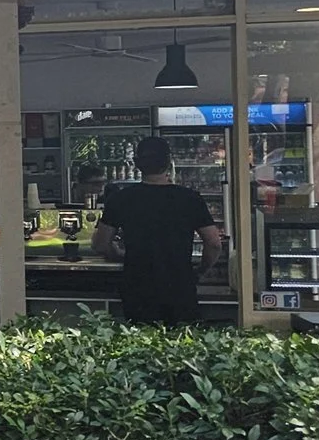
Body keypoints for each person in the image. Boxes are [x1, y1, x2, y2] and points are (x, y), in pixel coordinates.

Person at [92, 136, 226, 325]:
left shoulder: (121, 199)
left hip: (138, 286)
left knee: (143, 343)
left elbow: (101, 244)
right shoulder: (189, 198)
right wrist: (200, 271)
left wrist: (119, 254)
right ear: (168, 163)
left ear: (137, 164)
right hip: (180, 285)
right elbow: (213, 244)